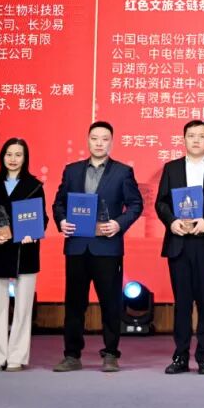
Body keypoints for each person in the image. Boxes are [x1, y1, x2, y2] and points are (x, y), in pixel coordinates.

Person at [51, 121, 143, 372]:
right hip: (77, 246)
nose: (99, 143)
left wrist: (119, 223)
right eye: (94, 138)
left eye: (104, 139)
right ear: (88, 140)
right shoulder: (72, 171)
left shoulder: (123, 172)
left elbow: (135, 205)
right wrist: (62, 221)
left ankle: (111, 353)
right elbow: (58, 204)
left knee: (110, 303)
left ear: (111, 142)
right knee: (74, 304)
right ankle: (72, 355)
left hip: (107, 247)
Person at [155, 120, 204, 375]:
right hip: (179, 242)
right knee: (182, 303)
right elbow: (161, 203)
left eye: (201, 136)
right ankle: (180, 356)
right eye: (191, 136)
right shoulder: (172, 168)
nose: (196, 140)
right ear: (184, 139)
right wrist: (172, 222)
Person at [0, 138, 46, 371]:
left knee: (23, 308)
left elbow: (42, 218)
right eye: (9, 154)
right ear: (2, 157)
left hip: (26, 250)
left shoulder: (34, 186)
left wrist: (34, 234)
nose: (13, 159)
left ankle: (17, 357)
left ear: (25, 158)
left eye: (18, 155)